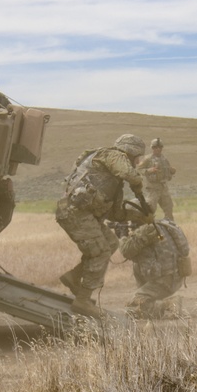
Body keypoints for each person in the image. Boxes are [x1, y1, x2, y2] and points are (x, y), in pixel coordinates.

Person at [56, 134, 147, 318]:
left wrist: (141, 216)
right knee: (101, 251)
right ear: (130, 151)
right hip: (75, 213)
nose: (137, 163)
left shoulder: (114, 180)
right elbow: (129, 174)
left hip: (83, 215)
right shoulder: (111, 155)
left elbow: (116, 214)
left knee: (111, 242)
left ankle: (74, 277)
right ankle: (82, 301)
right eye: (137, 158)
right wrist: (137, 185)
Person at [114, 205, 190, 320]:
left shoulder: (147, 229)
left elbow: (126, 251)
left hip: (164, 280)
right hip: (175, 276)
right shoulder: (163, 225)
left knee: (136, 305)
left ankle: (168, 305)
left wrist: (122, 235)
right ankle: (153, 299)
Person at [137, 137, 176, 221]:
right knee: (150, 209)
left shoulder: (164, 159)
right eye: (155, 147)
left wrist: (172, 171)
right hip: (152, 189)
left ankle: (170, 226)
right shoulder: (147, 159)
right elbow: (138, 169)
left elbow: (168, 169)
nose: (158, 149)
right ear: (152, 148)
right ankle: (146, 227)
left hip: (163, 188)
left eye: (160, 147)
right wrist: (149, 170)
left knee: (169, 207)